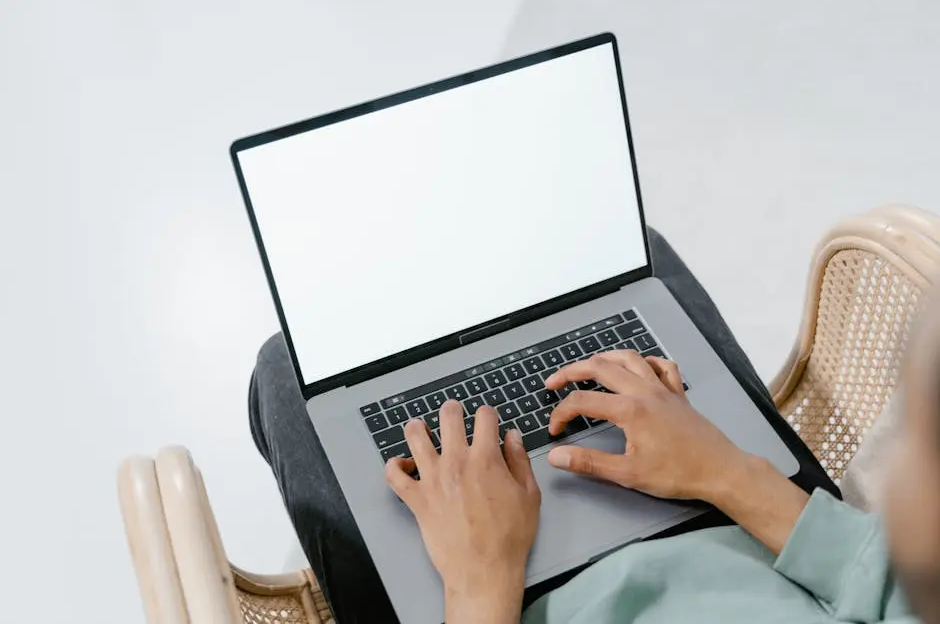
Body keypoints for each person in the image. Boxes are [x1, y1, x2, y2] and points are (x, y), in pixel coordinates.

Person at [249, 229, 931, 623]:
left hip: (502, 598)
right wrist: (720, 468)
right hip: (762, 535)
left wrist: (480, 579)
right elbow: (888, 582)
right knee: (630, 261)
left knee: (283, 370)